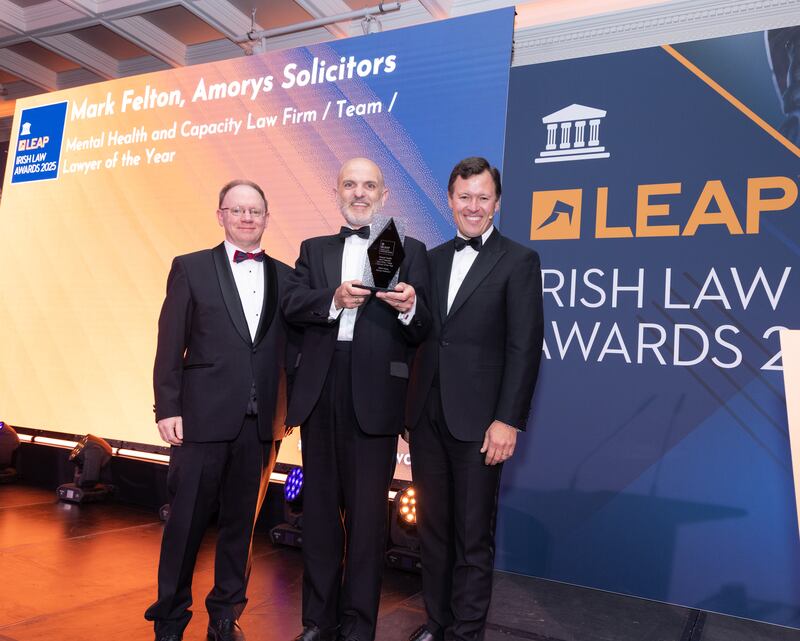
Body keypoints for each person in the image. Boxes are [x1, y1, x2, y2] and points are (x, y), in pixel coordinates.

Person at [283, 157, 431, 641]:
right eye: (351, 184)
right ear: (338, 192)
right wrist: (332, 300)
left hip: (377, 396)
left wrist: (410, 307)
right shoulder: (314, 249)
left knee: (368, 523)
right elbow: (292, 305)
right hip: (322, 389)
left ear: (385, 195)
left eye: (370, 185)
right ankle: (316, 622)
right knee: (321, 518)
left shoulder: (409, 248)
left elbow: (426, 326)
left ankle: (358, 628)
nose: (360, 193)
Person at [145, 179, 293, 641]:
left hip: (261, 424)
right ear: (221, 215)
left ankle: (226, 616)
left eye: (256, 211)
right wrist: (167, 406)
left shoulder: (288, 277)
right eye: (238, 210)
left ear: (267, 218)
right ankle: (169, 617)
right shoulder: (190, 268)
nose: (247, 218)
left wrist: (289, 411)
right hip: (201, 420)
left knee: (240, 529)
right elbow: (170, 343)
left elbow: (294, 353)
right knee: (185, 524)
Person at [405, 157, 544, 641]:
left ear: (497, 203)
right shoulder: (432, 258)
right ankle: (437, 622)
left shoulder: (520, 261)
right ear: (449, 199)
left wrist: (508, 420)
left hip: (482, 425)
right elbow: (424, 335)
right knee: (433, 533)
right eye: (464, 196)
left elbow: (524, 348)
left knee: (472, 537)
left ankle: (466, 631)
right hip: (427, 417)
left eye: (483, 197)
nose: (473, 206)